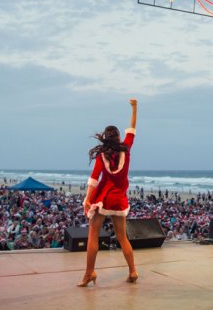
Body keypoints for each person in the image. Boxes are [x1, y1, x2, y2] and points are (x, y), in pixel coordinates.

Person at [79, 99, 139, 287]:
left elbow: (94, 179)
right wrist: (134, 107)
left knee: (93, 234)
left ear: (105, 137)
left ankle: (89, 273)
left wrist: (87, 199)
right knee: (122, 237)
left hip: (103, 200)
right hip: (119, 200)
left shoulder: (102, 155)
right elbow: (132, 128)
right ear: (119, 138)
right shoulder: (126, 149)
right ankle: (133, 271)